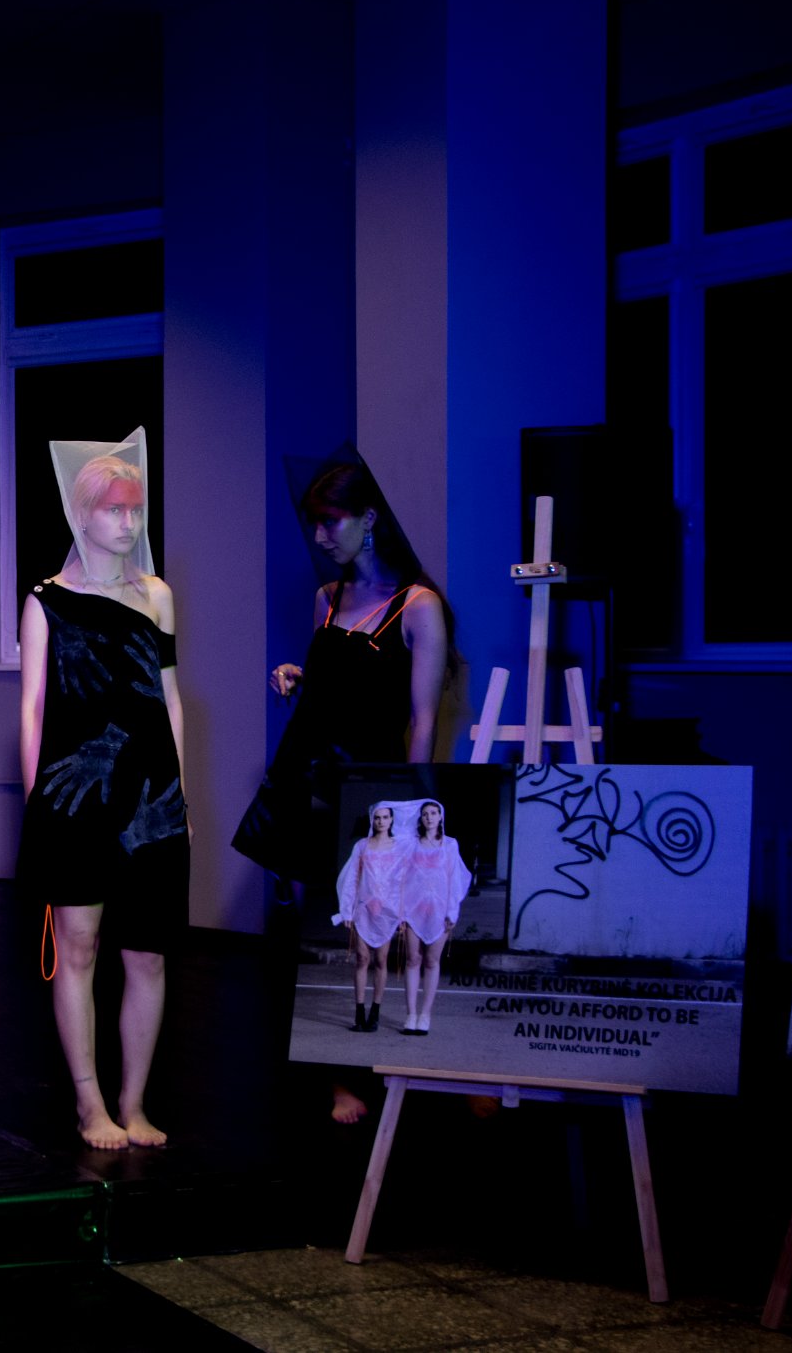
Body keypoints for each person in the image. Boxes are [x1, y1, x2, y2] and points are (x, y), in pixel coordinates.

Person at [233, 455, 453, 1123]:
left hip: (370, 793)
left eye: (331, 523)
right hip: (308, 781)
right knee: (316, 931)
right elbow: (340, 684)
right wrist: (298, 673)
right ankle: (335, 1075)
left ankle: (384, 1064)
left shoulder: (417, 608)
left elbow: (420, 719)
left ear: (369, 519)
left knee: (371, 931)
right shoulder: (326, 599)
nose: (321, 537)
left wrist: (413, 811)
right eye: (316, 525)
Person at [17, 431, 188, 1150]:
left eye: (134, 509)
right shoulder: (47, 601)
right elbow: (32, 707)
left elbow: (171, 699)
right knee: (79, 947)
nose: (127, 521)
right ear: (81, 514)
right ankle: (91, 1103)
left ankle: (134, 1102)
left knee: (147, 953)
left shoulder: (156, 596)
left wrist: (181, 795)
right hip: (75, 799)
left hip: (151, 800)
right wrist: (37, 799)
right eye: (113, 509)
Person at [395, 799, 469, 1034]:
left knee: (431, 961)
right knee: (412, 959)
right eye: (425, 813)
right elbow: (402, 878)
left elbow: (455, 879)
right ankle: (411, 1014)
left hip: (439, 910)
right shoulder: (411, 844)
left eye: (433, 813)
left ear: (440, 816)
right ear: (421, 817)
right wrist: (400, 912)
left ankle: (425, 1015)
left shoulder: (450, 844)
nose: (429, 817)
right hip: (413, 909)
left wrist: (452, 911)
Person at [333, 801, 408, 1031]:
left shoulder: (399, 847)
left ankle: (375, 1012)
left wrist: (402, 915)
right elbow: (351, 878)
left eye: (385, 817)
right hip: (364, 909)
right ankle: (359, 1013)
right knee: (362, 958)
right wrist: (347, 909)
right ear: (372, 820)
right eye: (377, 817)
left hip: (387, 911)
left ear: (391, 819)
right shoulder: (362, 846)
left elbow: (403, 882)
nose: (381, 821)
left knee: (381, 960)